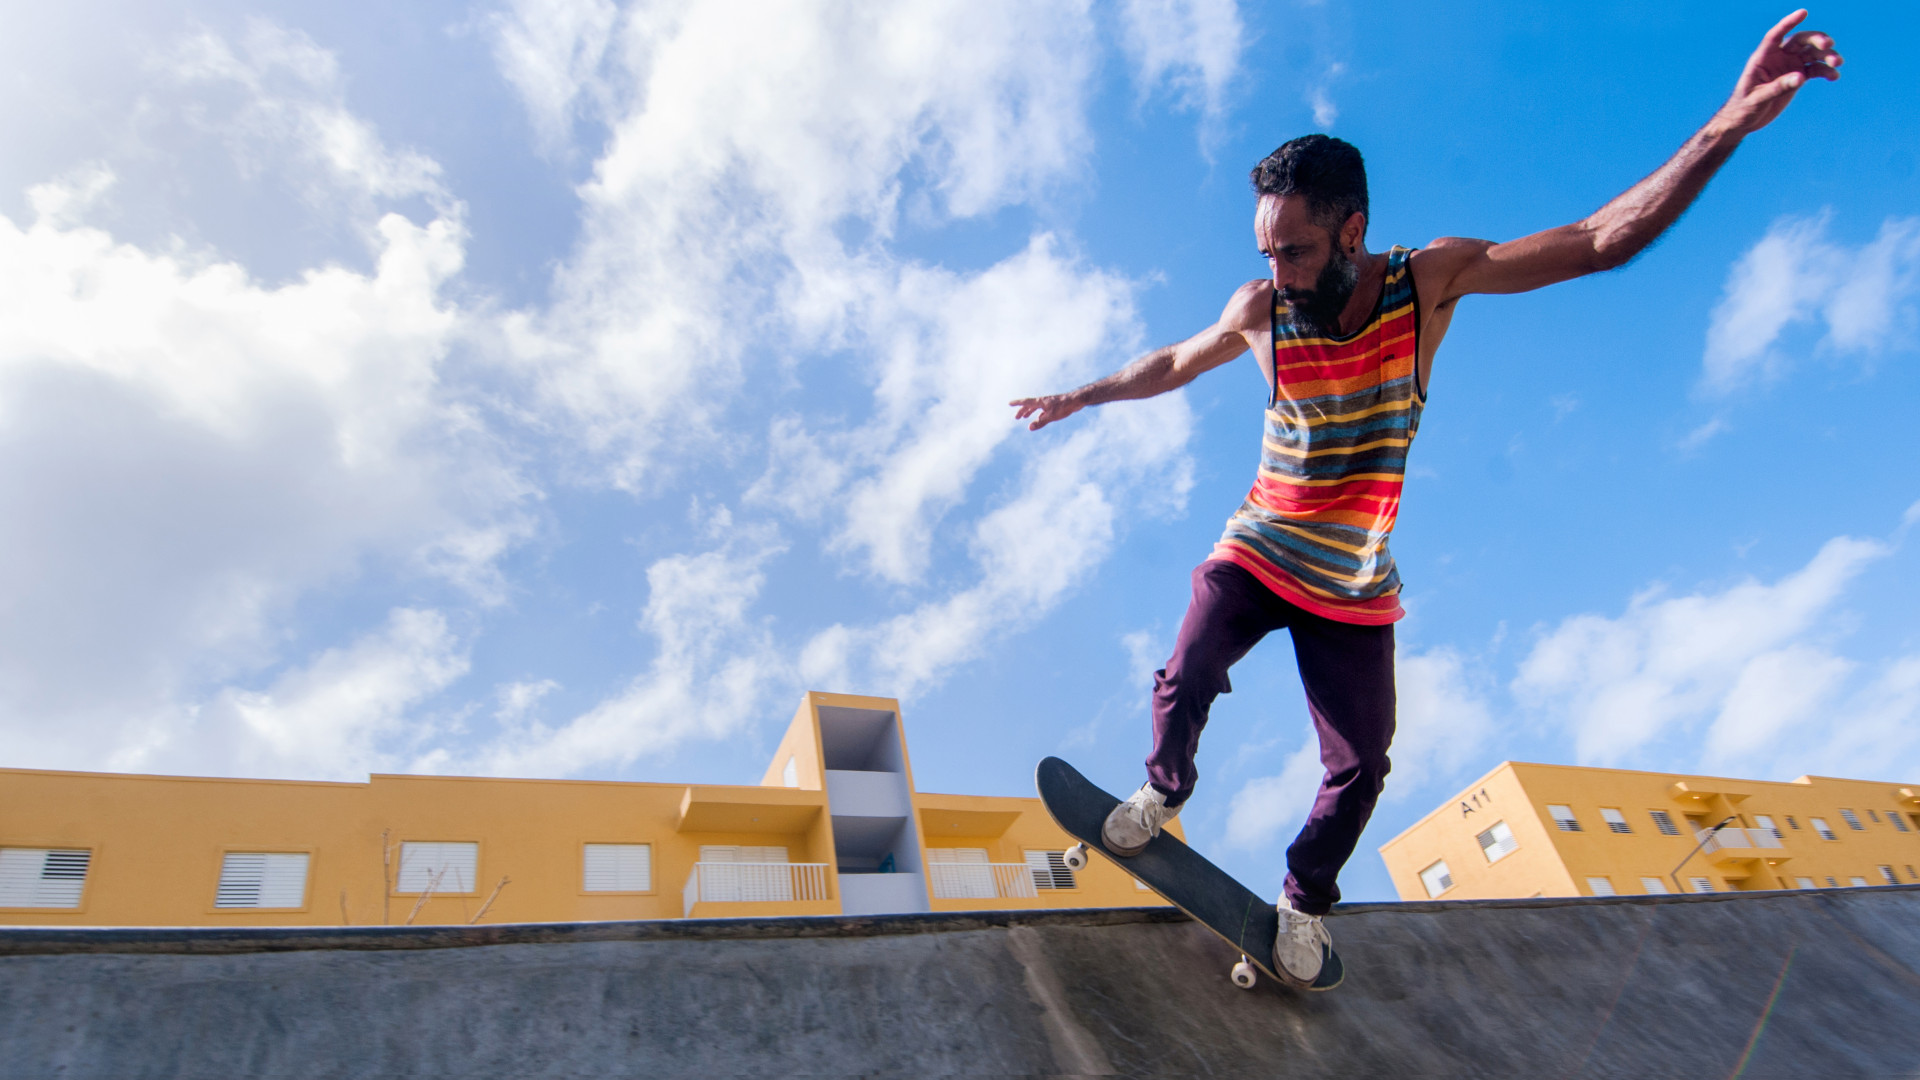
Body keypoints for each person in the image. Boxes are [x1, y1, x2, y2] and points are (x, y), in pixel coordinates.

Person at [1009, 11, 1841, 988]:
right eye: (1267, 253)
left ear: (1352, 230)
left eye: (1296, 252)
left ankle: (1302, 905)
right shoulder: (1260, 310)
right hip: (1261, 548)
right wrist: (1084, 394)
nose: (1278, 275)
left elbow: (1597, 242)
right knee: (1186, 671)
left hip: (1355, 585)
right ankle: (1163, 791)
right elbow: (1172, 362)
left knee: (1363, 766)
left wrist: (1727, 125)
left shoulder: (1430, 284)